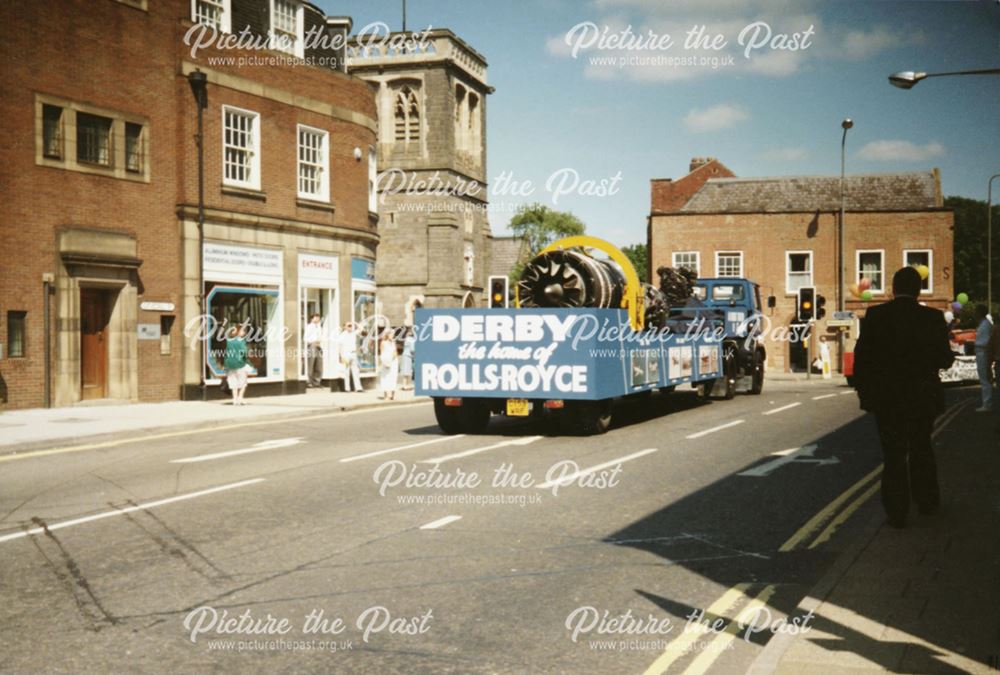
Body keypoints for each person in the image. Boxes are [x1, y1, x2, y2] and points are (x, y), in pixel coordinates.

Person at [853, 266, 955, 528]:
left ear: (893, 289)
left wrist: (866, 393)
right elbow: (945, 359)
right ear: (918, 290)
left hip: (887, 400)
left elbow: (862, 360)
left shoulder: (876, 316)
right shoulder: (932, 318)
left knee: (894, 455)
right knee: (921, 447)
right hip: (922, 397)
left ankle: (897, 512)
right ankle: (927, 501)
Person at [223, 324, 251, 406]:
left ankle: (234, 399)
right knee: (243, 382)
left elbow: (226, 353)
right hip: (240, 364)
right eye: (242, 330)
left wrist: (225, 363)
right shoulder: (241, 341)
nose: (244, 332)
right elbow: (244, 352)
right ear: (238, 332)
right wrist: (247, 359)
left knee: (233, 382)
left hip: (230, 364)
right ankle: (240, 398)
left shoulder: (228, 341)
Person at [973, 304, 993, 412]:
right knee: (984, 378)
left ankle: (987, 404)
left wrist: (975, 344)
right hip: (981, 352)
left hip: (983, 352)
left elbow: (985, 342)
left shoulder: (985, 325)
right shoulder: (984, 324)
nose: (974, 314)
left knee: (984, 379)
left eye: (976, 311)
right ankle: (986, 402)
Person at [338, 322, 362, 392]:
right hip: (346, 354)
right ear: (345, 327)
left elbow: (361, 328)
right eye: (348, 326)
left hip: (353, 353)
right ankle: (347, 388)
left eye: (351, 326)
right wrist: (341, 356)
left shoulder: (353, 333)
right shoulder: (342, 335)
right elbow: (340, 346)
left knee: (356, 371)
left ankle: (358, 388)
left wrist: (355, 323)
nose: (350, 327)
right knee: (346, 372)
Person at [378, 330, 399, 400]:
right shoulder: (383, 343)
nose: (392, 335)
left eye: (393, 334)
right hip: (386, 361)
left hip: (393, 361)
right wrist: (385, 362)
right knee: (385, 378)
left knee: (393, 378)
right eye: (391, 334)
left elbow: (395, 352)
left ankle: (392, 394)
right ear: (387, 335)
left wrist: (394, 356)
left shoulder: (393, 342)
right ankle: (387, 394)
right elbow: (382, 353)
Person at [304, 313, 323, 388]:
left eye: (318, 317)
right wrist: (313, 341)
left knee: (319, 364)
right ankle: (309, 381)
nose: (318, 319)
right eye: (316, 317)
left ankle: (317, 381)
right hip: (312, 345)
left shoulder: (319, 327)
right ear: (312, 318)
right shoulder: (309, 327)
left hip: (319, 346)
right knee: (311, 363)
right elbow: (305, 338)